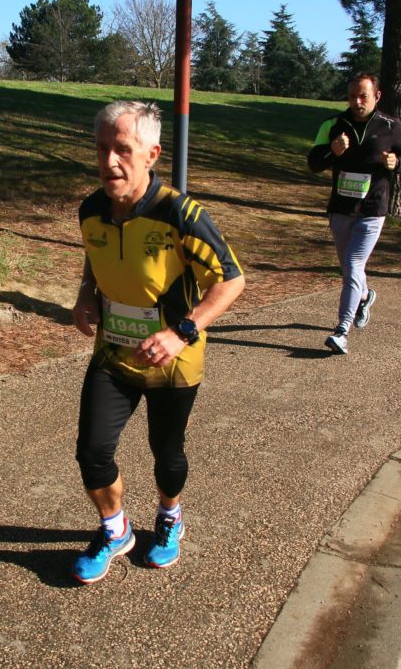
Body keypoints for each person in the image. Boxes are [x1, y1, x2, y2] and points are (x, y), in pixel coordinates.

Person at [70, 100, 245, 585]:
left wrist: (181, 332)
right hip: (113, 353)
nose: (109, 162)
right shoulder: (91, 209)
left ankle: (169, 516)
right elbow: (93, 256)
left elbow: (230, 280)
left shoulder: (181, 214)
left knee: (166, 454)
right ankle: (115, 529)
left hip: (174, 361)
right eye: (101, 149)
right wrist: (86, 294)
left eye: (122, 149)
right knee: (92, 451)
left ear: (152, 153)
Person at [307, 73, 401, 354]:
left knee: (353, 267)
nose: (356, 102)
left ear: (376, 97)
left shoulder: (391, 126)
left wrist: (396, 162)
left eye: (363, 96)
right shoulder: (333, 125)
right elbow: (314, 163)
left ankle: (342, 330)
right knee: (348, 268)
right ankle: (365, 297)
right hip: (341, 208)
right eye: (352, 96)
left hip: (372, 209)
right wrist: (333, 152)